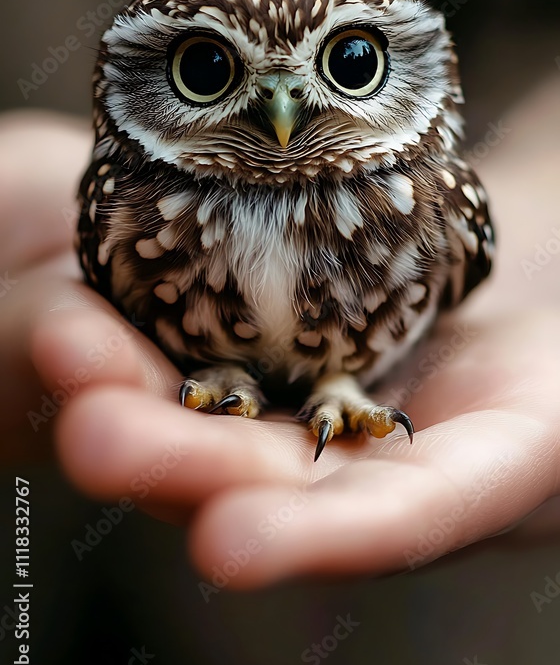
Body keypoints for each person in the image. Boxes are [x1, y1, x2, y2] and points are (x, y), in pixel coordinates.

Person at [1, 78, 559, 589]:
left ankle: (338, 382)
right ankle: (227, 373)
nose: (282, 108)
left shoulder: (436, 198)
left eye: (350, 64)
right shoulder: (126, 195)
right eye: (207, 68)